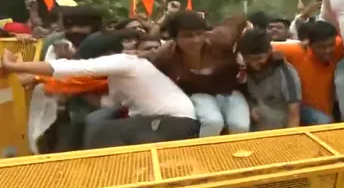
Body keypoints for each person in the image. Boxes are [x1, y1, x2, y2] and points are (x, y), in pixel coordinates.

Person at [2, 31, 200, 149]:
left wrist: (15, 67)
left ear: (106, 54)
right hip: (162, 124)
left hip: (174, 123)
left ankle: (102, 184)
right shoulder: (118, 79)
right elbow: (108, 103)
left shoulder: (125, 62)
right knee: (102, 127)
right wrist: (73, 90)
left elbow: (66, 68)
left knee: (102, 131)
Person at [152, 12, 250, 137]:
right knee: (213, 122)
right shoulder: (164, 57)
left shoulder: (221, 39)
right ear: (174, 38)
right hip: (198, 94)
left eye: (200, 34)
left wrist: (249, 35)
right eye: (188, 36)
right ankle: (204, 154)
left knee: (240, 126)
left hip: (229, 91)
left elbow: (237, 19)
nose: (196, 40)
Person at [273, 20, 343, 125]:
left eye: (331, 45)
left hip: (325, 116)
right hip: (298, 108)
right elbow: (262, 47)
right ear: (309, 43)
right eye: (321, 47)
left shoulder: (337, 47)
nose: (328, 50)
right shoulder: (297, 51)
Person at [238, 29, 301, 131]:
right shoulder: (242, 70)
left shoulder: (286, 72)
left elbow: (294, 113)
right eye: (250, 59)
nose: (255, 63)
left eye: (259, 58)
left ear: (269, 52)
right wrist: (249, 109)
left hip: (277, 130)